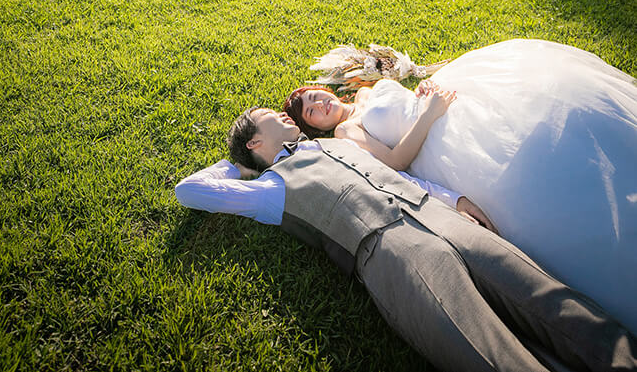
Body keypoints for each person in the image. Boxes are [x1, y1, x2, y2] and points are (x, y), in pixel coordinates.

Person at [175, 105, 637, 372]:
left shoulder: (334, 142)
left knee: (546, 297)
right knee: (486, 351)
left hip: (439, 217)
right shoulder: (270, 190)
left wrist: (455, 200)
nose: (280, 112)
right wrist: (239, 168)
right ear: (255, 142)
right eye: (266, 116)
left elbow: (395, 171)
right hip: (392, 253)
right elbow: (190, 191)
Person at [284, 39, 637, 334]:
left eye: (314, 96)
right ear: (316, 128)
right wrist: (429, 113)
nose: (319, 104)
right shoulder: (347, 132)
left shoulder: (366, 93)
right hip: (441, 145)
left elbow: (402, 103)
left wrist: (424, 94)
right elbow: (395, 162)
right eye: (312, 112)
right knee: (530, 181)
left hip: (452, 111)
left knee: (542, 106)